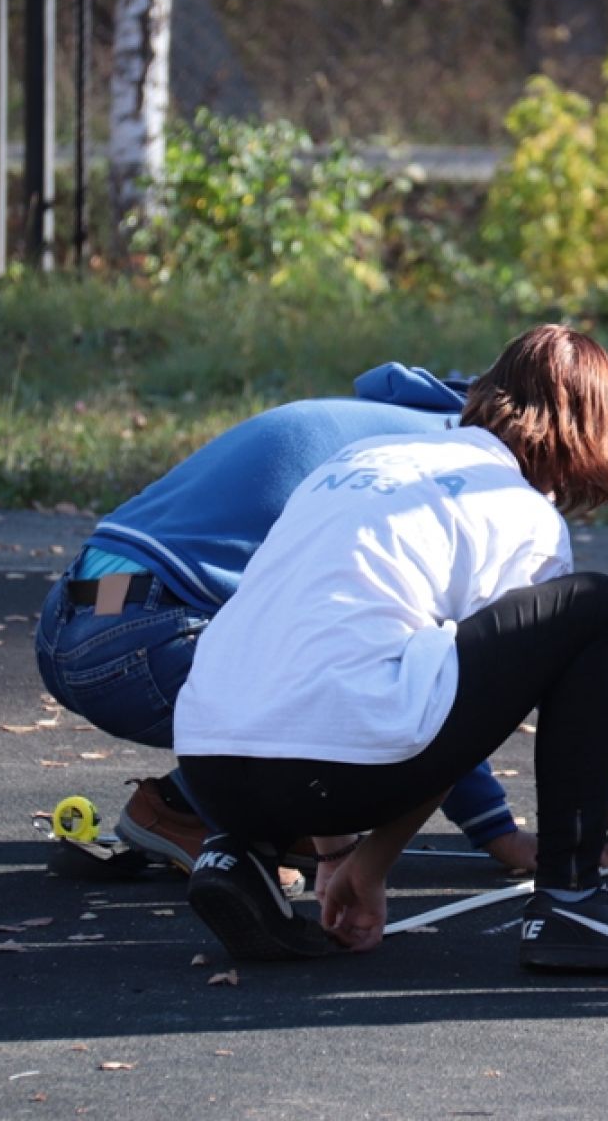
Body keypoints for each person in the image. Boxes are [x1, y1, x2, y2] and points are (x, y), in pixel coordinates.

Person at [173, 325, 608, 973]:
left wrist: (338, 856)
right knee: (595, 606)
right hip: (336, 767)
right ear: (592, 432)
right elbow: (469, 711)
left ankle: (240, 860)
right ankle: (571, 898)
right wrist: (370, 863)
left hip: (209, 763)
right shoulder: (520, 513)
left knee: (347, 659)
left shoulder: (361, 461)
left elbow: (322, 647)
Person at [33, 362, 541, 879]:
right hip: (144, 641)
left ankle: (187, 802)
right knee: (357, 704)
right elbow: (444, 675)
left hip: (75, 610)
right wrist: (498, 830)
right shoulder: (451, 473)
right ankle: (194, 816)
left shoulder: (388, 419)